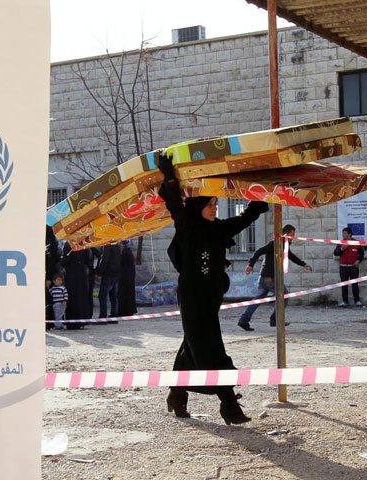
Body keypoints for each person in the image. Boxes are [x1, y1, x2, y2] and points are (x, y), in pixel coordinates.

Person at [158, 153, 268, 425]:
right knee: (210, 347)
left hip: (211, 298)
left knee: (193, 346)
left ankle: (177, 393)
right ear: (197, 206)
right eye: (209, 203)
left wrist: (263, 187)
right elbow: (174, 205)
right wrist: (169, 175)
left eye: (216, 203)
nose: (214, 208)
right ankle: (228, 404)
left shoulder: (219, 229)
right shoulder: (188, 227)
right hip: (192, 296)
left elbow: (247, 217)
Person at [237, 225, 312, 331]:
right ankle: (275, 319)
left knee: (258, 299)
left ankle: (243, 320)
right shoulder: (275, 244)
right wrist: (250, 265)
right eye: (292, 234)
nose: (293, 237)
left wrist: (304, 264)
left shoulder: (283, 245)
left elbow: (291, 256)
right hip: (269, 278)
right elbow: (258, 251)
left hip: (264, 277)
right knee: (284, 296)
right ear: (286, 234)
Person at [60, 243, 93, 329]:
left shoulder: (68, 245)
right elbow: (87, 259)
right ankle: (81, 321)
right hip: (81, 275)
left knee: (73, 298)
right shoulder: (82, 244)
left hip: (71, 275)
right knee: (81, 298)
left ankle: (72, 322)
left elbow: (65, 261)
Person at [334, 226, 364, 307]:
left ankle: (357, 301)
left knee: (354, 284)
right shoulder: (340, 243)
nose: (343, 235)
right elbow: (336, 253)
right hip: (343, 267)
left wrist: (358, 260)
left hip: (353, 267)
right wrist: (342, 249)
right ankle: (345, 301)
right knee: (344, 285)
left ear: (349, 234)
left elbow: (361, 254)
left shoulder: (357, 243)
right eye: (342, 233)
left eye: (344, 233)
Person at [96, 243, 121, 320]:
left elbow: (104, 260)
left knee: (102, 295)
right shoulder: (117, 246)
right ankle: (114, 315)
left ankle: (103, 315)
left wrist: (99, 272)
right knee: (114, 296)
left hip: (108, 273)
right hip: (116, 273)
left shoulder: (107, 246)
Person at [117, 240, 137, 317]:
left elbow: (123, 263)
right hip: (129, 276)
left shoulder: (125, 253)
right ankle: (129, 310)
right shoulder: (128, 252)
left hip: (125, 277)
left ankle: (125, 310)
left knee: (124, 294)